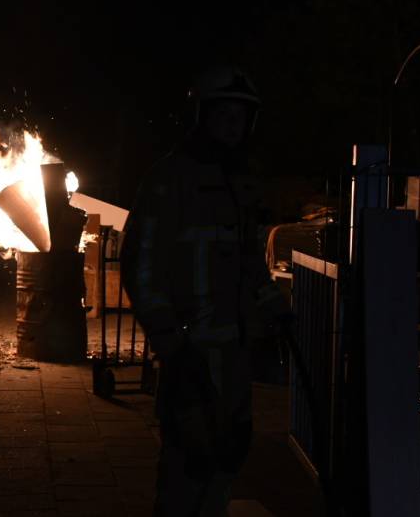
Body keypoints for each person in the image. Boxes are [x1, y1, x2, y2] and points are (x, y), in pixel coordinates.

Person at [121, 65, 291, 516]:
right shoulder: (167, 180)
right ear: (203, 117)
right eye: (224, 116)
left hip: (234, 352)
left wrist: (276, 309)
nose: (232, 127)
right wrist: (171, 343)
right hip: (190, 351)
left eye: (241, 118)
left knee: (229, 454)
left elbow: (250, 261)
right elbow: (140, 266)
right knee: (187, 458)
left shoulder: (241, 183)